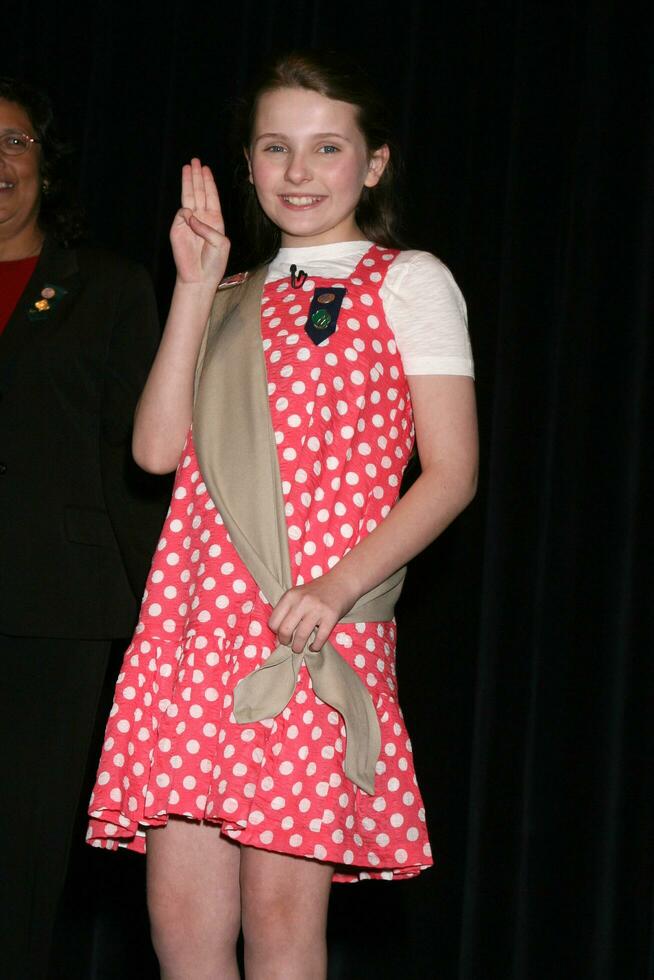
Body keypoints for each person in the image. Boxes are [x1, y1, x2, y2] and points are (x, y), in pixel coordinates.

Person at [87, 51, 478, 979]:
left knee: (281, 926)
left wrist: (339, 587)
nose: (299, 173)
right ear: (249, 164)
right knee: (181, 929)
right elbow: (153, 451)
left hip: (306, 634)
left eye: (327, 147)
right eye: (276, 148)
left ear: (373, 163)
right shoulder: (226, 294)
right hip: (192, 637)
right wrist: (194, 284)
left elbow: (453, 473)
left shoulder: (409, 280)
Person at [0, 78, 167, 978]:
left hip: (53, 608)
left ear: (45, 167)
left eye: (15, 143)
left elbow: (134, 463)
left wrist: (159, 616)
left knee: (20, 854)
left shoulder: (107, 287)